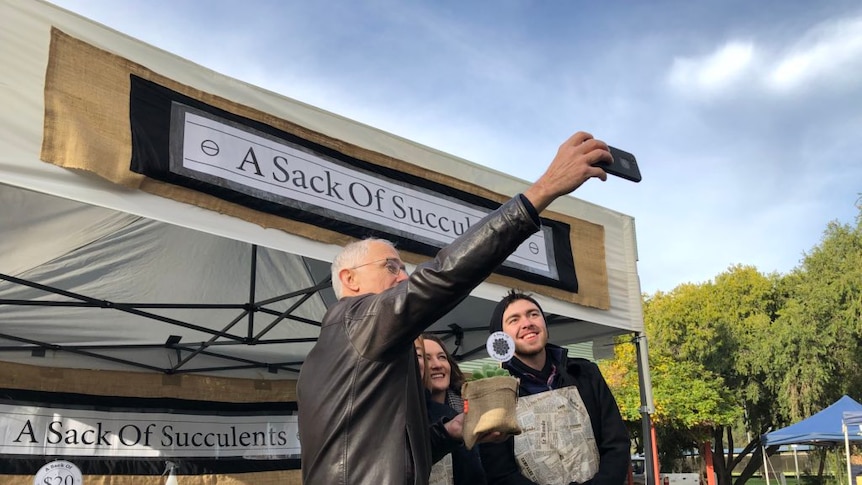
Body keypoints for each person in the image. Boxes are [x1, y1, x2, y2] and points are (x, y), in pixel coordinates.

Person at [296, 131, 614, 485]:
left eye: (404, 268)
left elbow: (390, 460)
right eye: (391, 266)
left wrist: (448, 431)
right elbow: (444, 275)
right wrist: (543, 190)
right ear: (349, 280)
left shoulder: (357, 349)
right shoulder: (354, 319)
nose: (404, 277)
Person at [479, 289, 630, 485]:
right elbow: (500, 472)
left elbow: (616, 443)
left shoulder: (585, 373)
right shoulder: (494, 394)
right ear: (500, 338)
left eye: (533, 314)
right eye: (514, 320)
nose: (527, 323)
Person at [422, 333, 487, 485]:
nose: (437, 364)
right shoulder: (406, 419)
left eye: (442, 357)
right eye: (426, 358)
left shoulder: (471, 406)